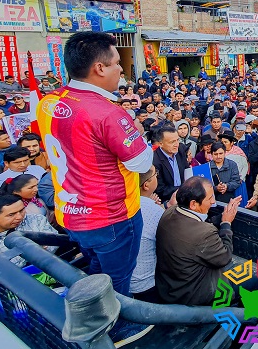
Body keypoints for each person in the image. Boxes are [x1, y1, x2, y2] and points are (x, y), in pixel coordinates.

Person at [35, 31, 154, 346]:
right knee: (116, 283)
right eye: (117, 63)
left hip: (72, 213)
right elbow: (142, 162)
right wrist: (137, 130)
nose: (121, 70)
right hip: (112, 217)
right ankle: (114, 330)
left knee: (95, 269)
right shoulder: (107, 112)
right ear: (99, 68)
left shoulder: (49, 103)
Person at [156, 177, 242, 305]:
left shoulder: (169, 212)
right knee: (253, 278)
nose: (213, 202)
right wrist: (226, 223)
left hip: (169, 288)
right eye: (210, 198)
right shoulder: (205, 234)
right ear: (193, 204)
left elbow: (196, 223)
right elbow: (225, 257)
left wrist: (222, 216)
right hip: (194, 294)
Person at [0, 195, 57, 268]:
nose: (19, 217)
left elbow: (55, 241)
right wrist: (33, 252)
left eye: (21, 210)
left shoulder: (36, 219)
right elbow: (3, 268)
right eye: (11, 215)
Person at [130, 167, 164, 303]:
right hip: (147, 284)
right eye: (156, 174)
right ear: (146, 185)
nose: (157, 176)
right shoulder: (154, 211)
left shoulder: (124, 203)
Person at [152, 126, 189, 203]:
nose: (176, 144)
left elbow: (186, 170)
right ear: (160, 144)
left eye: (177, 140)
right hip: (167, 201)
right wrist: (184, 189)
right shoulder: (155, 161)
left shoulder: (180, 150)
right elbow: (160, 190)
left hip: (185, 196)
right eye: (172, 142)